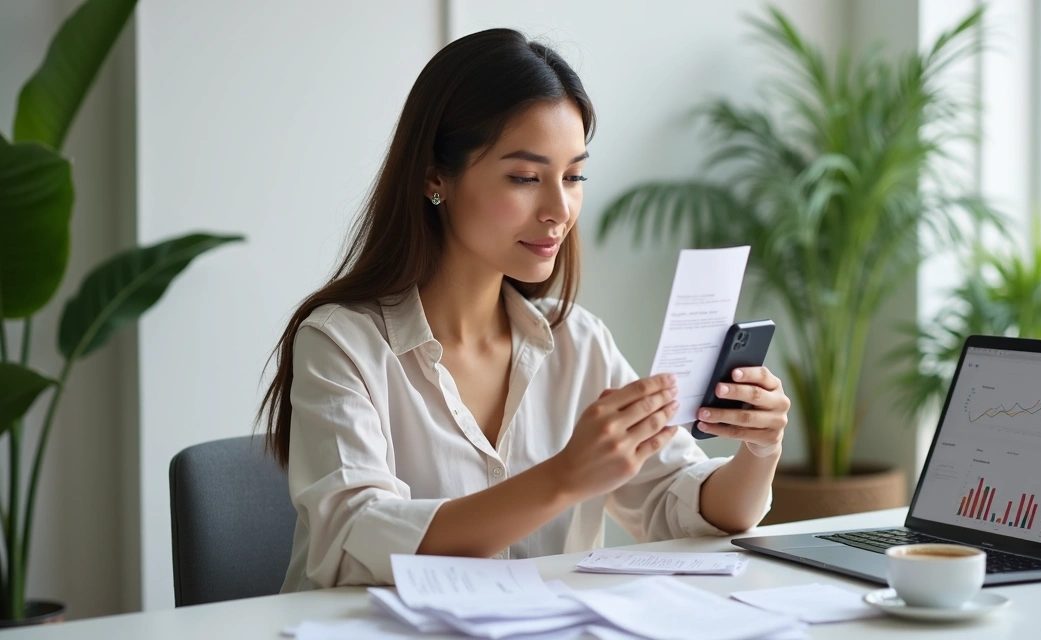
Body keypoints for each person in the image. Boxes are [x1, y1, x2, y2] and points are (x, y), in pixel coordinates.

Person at [258, 28, 791, 593]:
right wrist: (564, 477)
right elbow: (356, 537)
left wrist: (760, 449)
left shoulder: (577, 341)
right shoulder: (341, 343)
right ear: (435, 176)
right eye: (525, 178)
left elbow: (680, 505)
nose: (559, 209)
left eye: (574, 176)